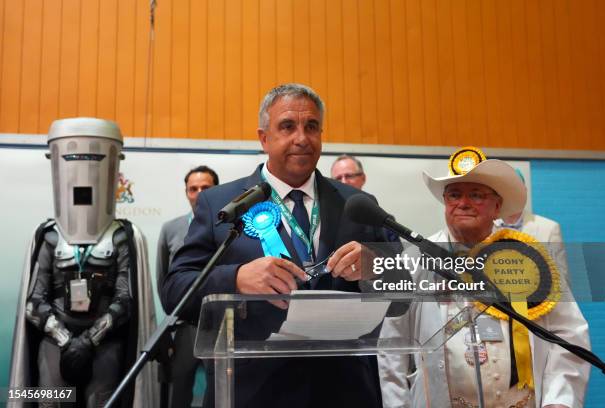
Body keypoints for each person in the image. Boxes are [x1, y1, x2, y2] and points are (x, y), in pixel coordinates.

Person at [161, 83, 393, 408]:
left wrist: (376, 265)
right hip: (251, 390)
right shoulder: (219, 204)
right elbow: (175, 290)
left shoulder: (358, 204)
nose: (302, 138)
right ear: (263, 138)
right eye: (287, 126)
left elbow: (405, 291)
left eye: (311, 126)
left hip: (346, 389)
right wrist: (236, 278)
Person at [378, 147, 591, 408]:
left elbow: (569, 333)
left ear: (497, 206)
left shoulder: (528, 257)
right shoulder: (414, 260)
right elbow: (392, 347)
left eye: (476, 195)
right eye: (454, 195)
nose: (463, 203)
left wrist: (560, 401)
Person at [9, 118, 158, 407]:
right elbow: (34, 301)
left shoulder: (124, 236)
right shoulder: (48, 236)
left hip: (104, 346)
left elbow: (126, 300)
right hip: (55, 344)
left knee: (102, 402)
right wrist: (66, 340)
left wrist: (89, 341)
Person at [156, 165, 219, 408]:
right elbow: (164, 279)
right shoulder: (170, 229)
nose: (199, 193)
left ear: (216, 191)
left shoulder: (231, 228)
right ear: (186, 193)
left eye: (206, 188)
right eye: (193, 189)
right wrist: (175, 316)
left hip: (218, 323)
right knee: (179, 393)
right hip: (184, 327)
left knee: (219, 392)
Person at [494, 168, 569, 283]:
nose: (511, 194)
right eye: (506, 189)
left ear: (525, 191)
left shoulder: (549, 228)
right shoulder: (483, 229)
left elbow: (561, 281)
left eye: (516, 189)